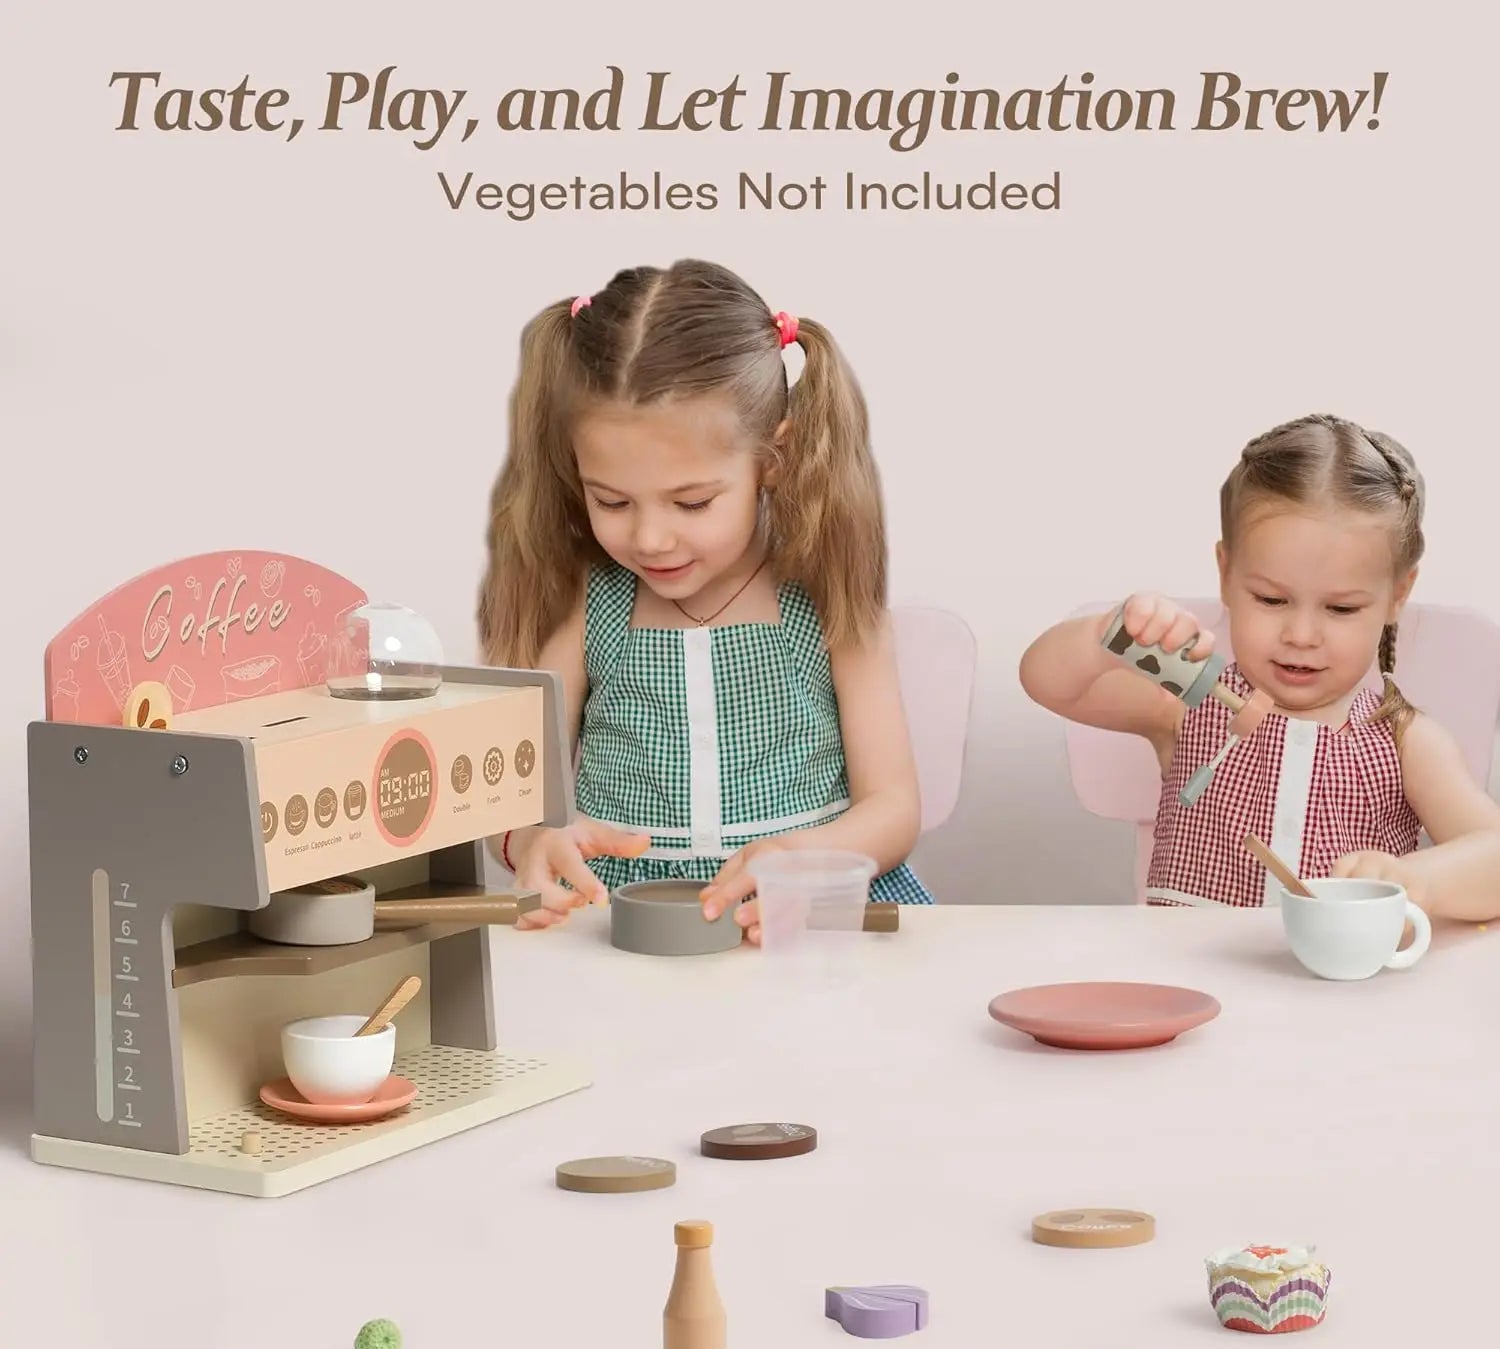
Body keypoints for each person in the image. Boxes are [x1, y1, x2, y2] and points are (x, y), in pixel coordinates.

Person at [478, 258, 933, 940]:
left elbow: (893, 807)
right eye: (611, 500)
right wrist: (532, 841)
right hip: (626, 926)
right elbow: (509, 800)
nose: (651, 537)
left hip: (795, 920)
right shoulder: (583, 602)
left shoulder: (823, 594)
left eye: (691, 502)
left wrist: (799, 861)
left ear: (771, 461)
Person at [1019, 412, 1500, 917]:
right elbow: (1046, 682)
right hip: (1189, 984)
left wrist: (1416, 880)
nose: (1301, 635)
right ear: (1226, 575)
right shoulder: (1190, 700)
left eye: (1340, 609)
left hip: (1336, 994)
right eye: (1271, 599)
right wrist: (1104, 638)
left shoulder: (1403, 738)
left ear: (1397, 595)